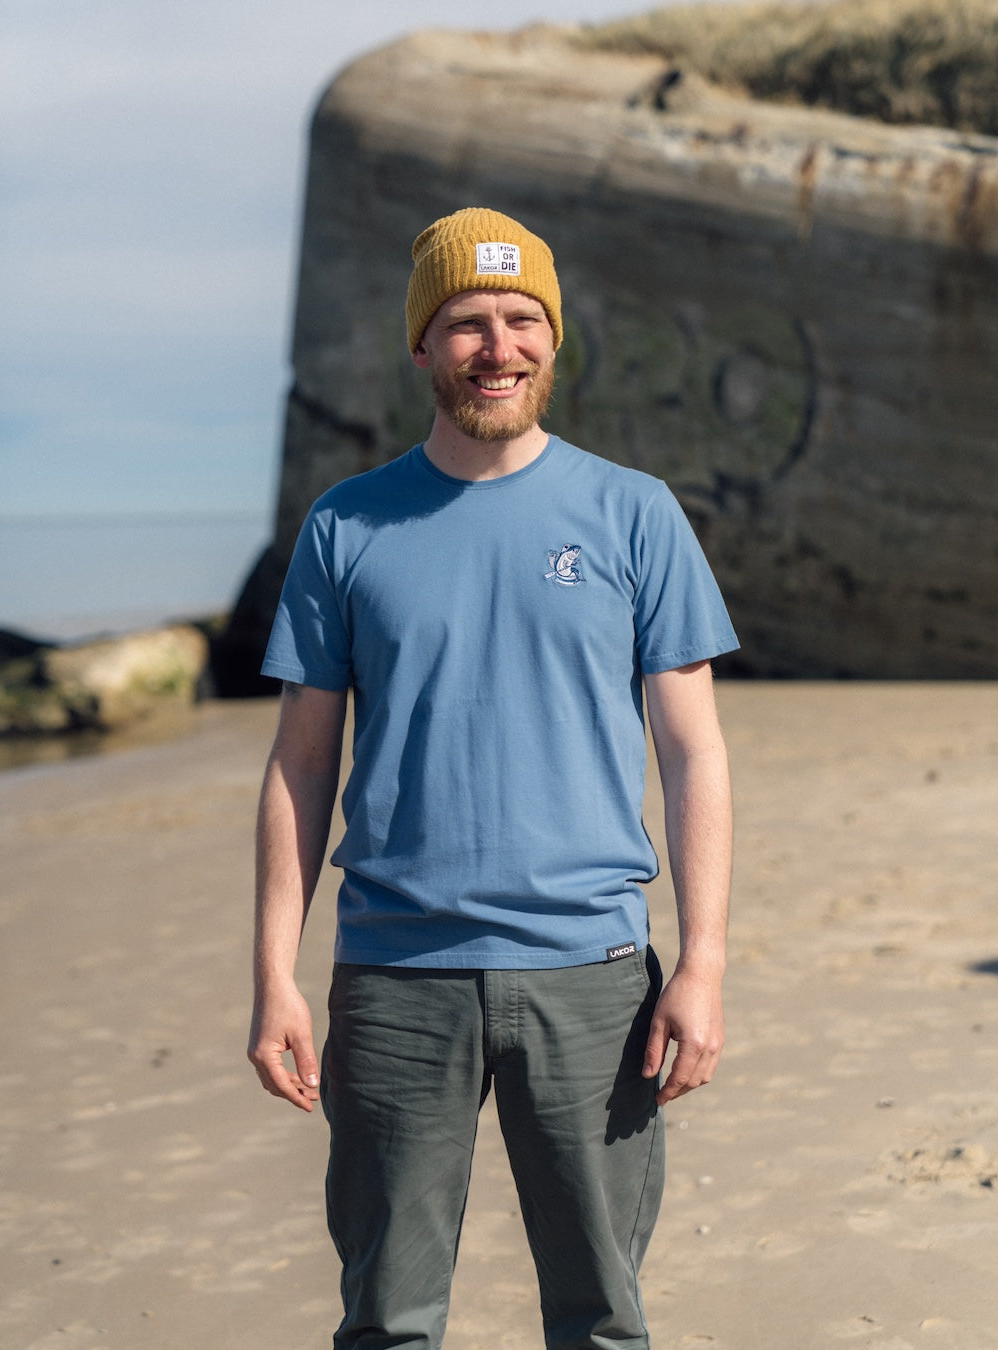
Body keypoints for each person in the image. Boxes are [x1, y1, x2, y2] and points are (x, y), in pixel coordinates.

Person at [248, 207, 738, 1350]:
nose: (498, 346)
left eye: (523, 319)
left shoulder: (633, 514)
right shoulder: (345, 526)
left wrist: (703, 962)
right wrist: (274, 974)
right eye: (468, 320)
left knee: (602, 1319)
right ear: (422, 342)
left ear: (553, 340)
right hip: (394, 977)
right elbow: (300, 764)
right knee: (387, 1320)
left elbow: (693, 752)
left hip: (592, 973)